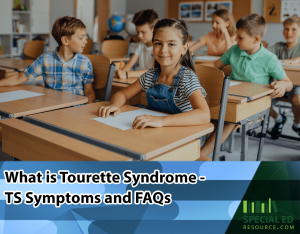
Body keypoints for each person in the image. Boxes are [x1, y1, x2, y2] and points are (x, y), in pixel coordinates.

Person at [200, 13, 293, 160]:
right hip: (233, 99)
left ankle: (199, 156)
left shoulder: (269, 59)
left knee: (228, 120)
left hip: (254, 106)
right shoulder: (234, 51)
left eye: (240, 38)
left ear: (256, 39)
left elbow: (288, 83)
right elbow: (215, 65)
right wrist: (192, 68)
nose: (235, 40)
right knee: (206, 114)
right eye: (236, 36)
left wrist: (282, 84)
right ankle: (191, 153)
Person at [98, 19, 210, 129]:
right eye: (158, 43)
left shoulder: (187, 78)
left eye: (171, 44)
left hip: (183, 136)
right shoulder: (150, 76)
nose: (163, 50)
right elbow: (122, 94)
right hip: (156, 133)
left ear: (184, 49)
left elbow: (204, 115)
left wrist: (162, 121)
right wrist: (115, 105)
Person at [0, 16, 95, 103]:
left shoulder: (85, 63)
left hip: (75, 109)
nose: (86, 41)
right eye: (81, 38)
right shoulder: (44, 59)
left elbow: (89, 91)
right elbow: (19, 77)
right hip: (51, 107)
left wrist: (86, 109)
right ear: (65, 40)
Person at [267, 16, 300, 138]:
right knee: (261, 102)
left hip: (295, 86)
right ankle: (279, 119)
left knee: (297, 100)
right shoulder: (278, 46)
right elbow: (265, 53)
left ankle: (297, 125)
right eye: (286, 29)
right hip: (277, 83)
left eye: (294, 29)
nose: (289, 32)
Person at [114, 9, 158, 79]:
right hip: (142, 82)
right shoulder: (141, 44)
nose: (139, 35)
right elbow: (130, 64)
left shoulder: (158, 47)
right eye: (137, 32)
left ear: (154, 29)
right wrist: (120, 72)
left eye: (143, 32)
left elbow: (152, 72)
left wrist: (127, 74)